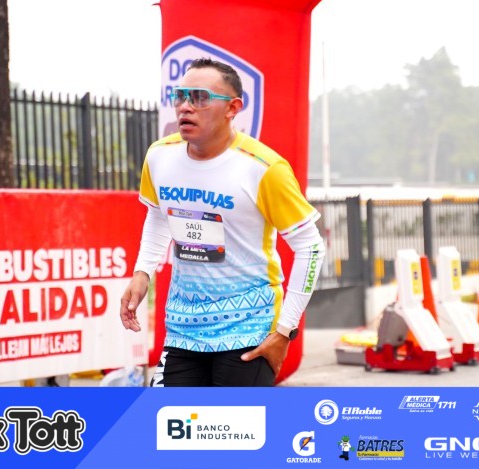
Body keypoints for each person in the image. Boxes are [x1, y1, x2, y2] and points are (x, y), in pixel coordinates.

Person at [120, 57, 325, 387]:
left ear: (233, 108)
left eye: (200, 98)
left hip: (249, 329)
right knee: (166, 420)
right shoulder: (159, 156)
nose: (185, 107)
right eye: (180, 96)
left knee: (229, 423)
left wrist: (285, 330)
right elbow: (158, 215)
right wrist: (143, 272)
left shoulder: (264, 168)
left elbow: (310, 247)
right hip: (183, 329)